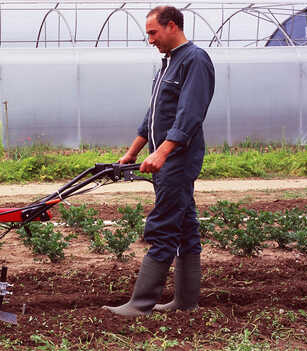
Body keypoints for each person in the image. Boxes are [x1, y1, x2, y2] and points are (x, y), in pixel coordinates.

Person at [103, 5, 215, 316]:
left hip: (177, 160)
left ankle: (141, 304)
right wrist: (133, 151)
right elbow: (153, 116)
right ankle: (186, 301)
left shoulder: (195, 60)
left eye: (153, 32)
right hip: (167, 160)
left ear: (171, 27)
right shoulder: (168, 64)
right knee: (185, 226)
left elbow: (189, 115)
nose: (150, 39)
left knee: (164, 225)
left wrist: (162, 152)